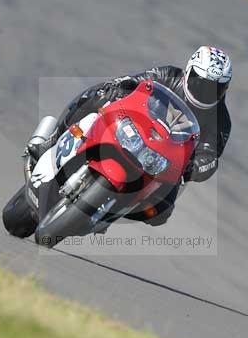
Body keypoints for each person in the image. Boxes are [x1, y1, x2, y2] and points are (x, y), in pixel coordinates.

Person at [28, 46, 232, 225]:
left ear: (225, 88)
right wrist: (121, 85)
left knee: (160, 213)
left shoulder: (221, 121)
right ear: (188, 72)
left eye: (216, 88)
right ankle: (53, 139)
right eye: (201, 82)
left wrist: (193, 168)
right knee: (99, 95)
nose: (206, 91)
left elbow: (210, 156)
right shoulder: (168, 75)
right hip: (133, 130)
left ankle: (108, 213)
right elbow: (137, 80)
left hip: (165, 161)